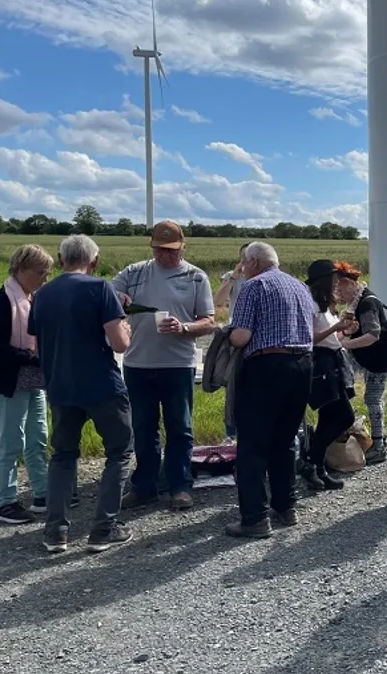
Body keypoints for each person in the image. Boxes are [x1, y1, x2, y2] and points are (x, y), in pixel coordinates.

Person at [28, 235, 134, 553]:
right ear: (95, 261)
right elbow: (120, 344)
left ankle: (55, 531)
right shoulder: (99, 288)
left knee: (62, 456)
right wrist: (126, 327)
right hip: (101, 384)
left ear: (61, 260)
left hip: (60, 386)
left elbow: (35, 345)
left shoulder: (42, 294)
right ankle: (104, 528)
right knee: (119, 452)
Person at [113, 221, 215, 511]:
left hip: (178, 364)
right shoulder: (133, 272)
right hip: (137, 363)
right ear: (152, 247)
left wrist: (183, 327)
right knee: (143, 428)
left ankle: (180, 486)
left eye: (171, 250)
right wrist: (117, 297)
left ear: (183, 246)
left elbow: (208, 321)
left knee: (180, 428)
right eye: (159, 250)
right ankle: (144, 486)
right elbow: (107, 297)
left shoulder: (196, 277)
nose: (164, 256)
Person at [224, 242, 318, 538]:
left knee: (252, 444)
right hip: (303, 365)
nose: (242, 267)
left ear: (253, 262)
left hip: (267, 366)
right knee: (285, 439)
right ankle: (286, 506)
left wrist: (224, 334)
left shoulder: (254, 286)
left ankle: (254, 518)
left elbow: (241, 336)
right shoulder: (300, 287)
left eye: (243, 262)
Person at [0, 244, 54, 524]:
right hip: (8, 380)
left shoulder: (31, 298)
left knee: (38, 438)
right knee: (11, 442)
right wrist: (32, 357)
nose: (44, 278)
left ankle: (42, 493)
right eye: (40, 272)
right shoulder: (1, 300)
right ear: (22, 268)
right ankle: (4, 502)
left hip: (33, 380)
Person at [303, 259, 359, 492]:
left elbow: (331, 337)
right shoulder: (312, 305)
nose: (337, 283)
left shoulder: (326, 305)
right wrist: (335, 329)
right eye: (335, 279)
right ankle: (312, 462)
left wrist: (345, 330)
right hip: (322, 363)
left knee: (329, 417)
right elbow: (308, 339)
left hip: (334, 362)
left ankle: (316, 466)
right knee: (344, 416)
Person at [334, 263, 387, 465]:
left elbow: (372, 335)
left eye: (339, 288)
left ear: (349, 283)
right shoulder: (359, 301)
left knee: (372, 400)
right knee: (368, 399)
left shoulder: (367, 303)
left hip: (378, 361)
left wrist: (346, 345)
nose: (338, 293)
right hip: (371, 359)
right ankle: (374, 440)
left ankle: (378, 446)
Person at [213, 242, 250, 442]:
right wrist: (233, 277)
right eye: (243, 258)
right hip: (236, 333)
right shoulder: (233, 277)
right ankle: (231, 433)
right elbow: (219, 301)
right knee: (233, 386)